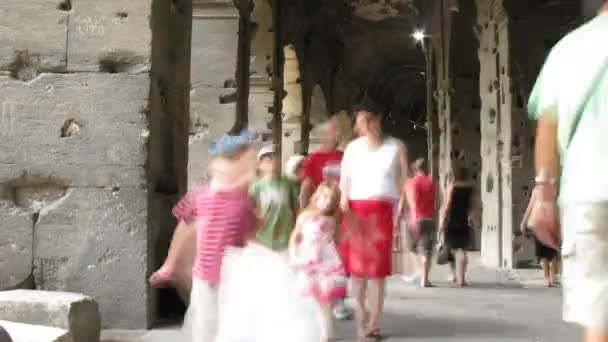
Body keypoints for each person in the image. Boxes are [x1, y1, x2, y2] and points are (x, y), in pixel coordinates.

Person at [528, 3, 608, 341]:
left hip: (586, 195)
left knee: (600, 313)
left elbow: (548, 124)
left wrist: (544, 196)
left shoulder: (569, 48)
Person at [148, 131, 259, 301]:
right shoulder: (211, 185)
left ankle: (172, 268)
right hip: (215, 225)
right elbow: (221, 188)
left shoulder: (242, 194)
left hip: (232, 232)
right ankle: (170, 267)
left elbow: (250, 229)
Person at [170, 132, 259, 342]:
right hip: (205, 271)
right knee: (204, 320)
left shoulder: (244, 200)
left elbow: (249, 235)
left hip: (231, 272)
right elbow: (184, 228)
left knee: (227, 322)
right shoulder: (200, 195)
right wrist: (171, 264)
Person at [340, 99, 409, 339]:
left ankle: (375, 323)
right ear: (357, 125)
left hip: (383, 213)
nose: (367, 125)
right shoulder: (352, 148)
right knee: (357, 272)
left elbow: (403, 183)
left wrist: (402, 213)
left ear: (379, 119)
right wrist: (344, 209)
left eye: (370, 119)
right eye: (362, 121)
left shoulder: (396, 146)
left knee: (377, 273)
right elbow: (344, 183)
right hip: (356, 211)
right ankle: (361, 319)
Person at [300, 117, 353, 320]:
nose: (337, 134)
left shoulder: (345, 156)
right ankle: (319, 298)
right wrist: (305, 212)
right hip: (320, 217)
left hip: (341, 215)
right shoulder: (314, 159)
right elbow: (306, 187)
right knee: (320, 258)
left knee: (341, 259)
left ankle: (339, 300)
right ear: (324, 134)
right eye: (333, 131)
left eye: (338, 131)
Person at [289, 182, 348, 342]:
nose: (328, 201)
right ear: (317, 197)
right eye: (325, 196)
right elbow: (295, 236)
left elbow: (337, 240)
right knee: (311, 299)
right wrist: (293, 254)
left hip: (327, 263)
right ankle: (316, 332)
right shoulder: (304, 216)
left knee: (325, 300)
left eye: (332, 198)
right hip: (309, 261)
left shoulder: (332, 220)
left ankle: (326, 335)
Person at [250, 144, 300, 252]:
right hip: (263, 235)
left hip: (285, 233)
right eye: (268, 159)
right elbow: (251, 211)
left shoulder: (288, 183)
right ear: (260, 165)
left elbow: (296, 207)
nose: (272, 162)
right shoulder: (256, 187)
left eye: (275, 158)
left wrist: (298, 228)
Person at [397, 158, 436, 288]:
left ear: (415, 169)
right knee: (426, 249)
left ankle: (421, 268)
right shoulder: (432, 182)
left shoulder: (409, 183)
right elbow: (439, 202)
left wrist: (398, 221)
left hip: (414, 219)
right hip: (429, 219)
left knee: (411, 247)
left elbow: (403, 204)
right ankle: (425, 279)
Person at [438, 167, 479, 287]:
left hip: (452, 220)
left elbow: (447, 206)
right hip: (464, 220)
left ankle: (457, 276)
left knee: (452, 249)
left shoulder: (452, 187)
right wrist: (474, 220)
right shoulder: (472, 188)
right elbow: (474, 206)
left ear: (454, 175)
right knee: (462, 250)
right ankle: (461, 278)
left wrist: (442, 221)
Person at [520, 186, 560, 287]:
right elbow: (530, 206)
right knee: (543, 252)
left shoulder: (555, 189)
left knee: (553, 250)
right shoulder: (537, 190)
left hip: (552, 223)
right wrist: (523, 222)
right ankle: (547, 276)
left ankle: (552, 273)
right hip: (540, 224)